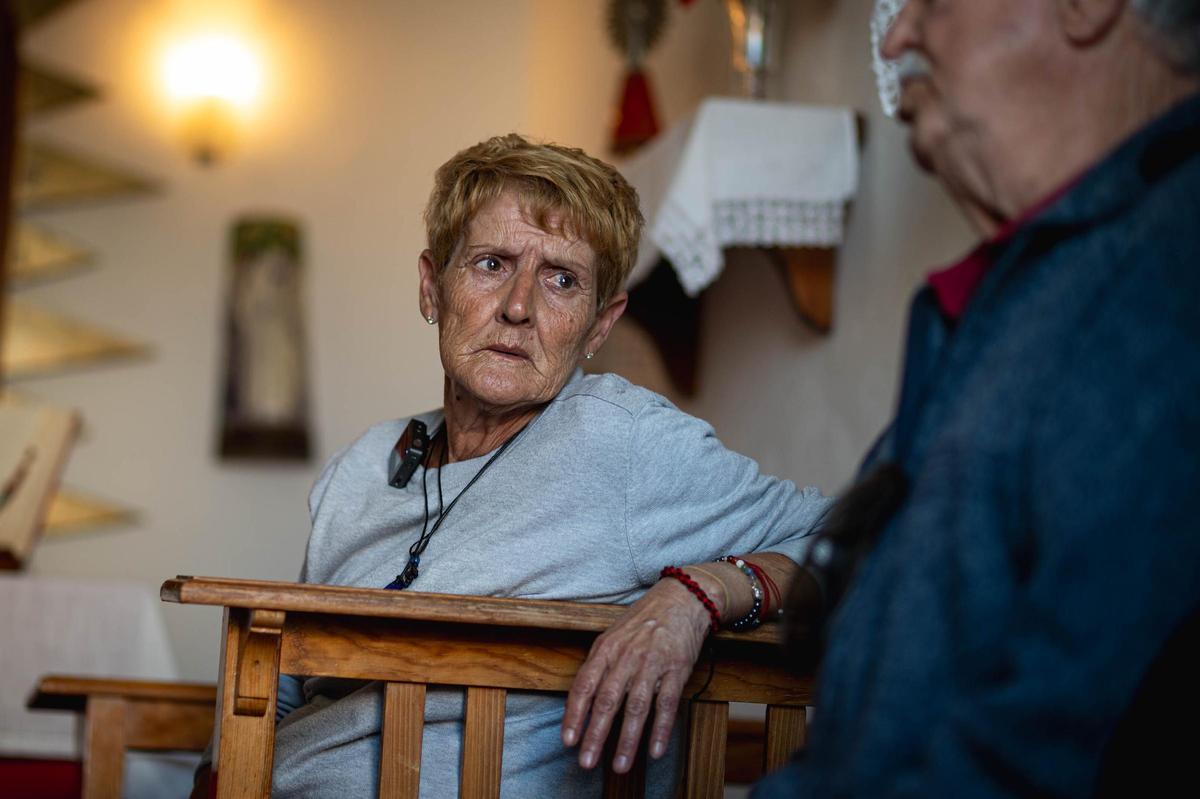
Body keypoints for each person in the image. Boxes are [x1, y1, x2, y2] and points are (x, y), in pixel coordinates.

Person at [193, 134, 830, 798]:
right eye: (492, 263)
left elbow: (858, 537)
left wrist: (701, 593)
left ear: (600, 324)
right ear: (431, 288)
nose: (520, 306)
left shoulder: (621, 440)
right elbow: (279, 687)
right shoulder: (362, 466)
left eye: (562, 279)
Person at [755, 0, 1200, 796]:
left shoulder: (1169, 278)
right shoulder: (1034, 289)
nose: (897, 37)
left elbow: (1049, 749)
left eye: (930, 0)